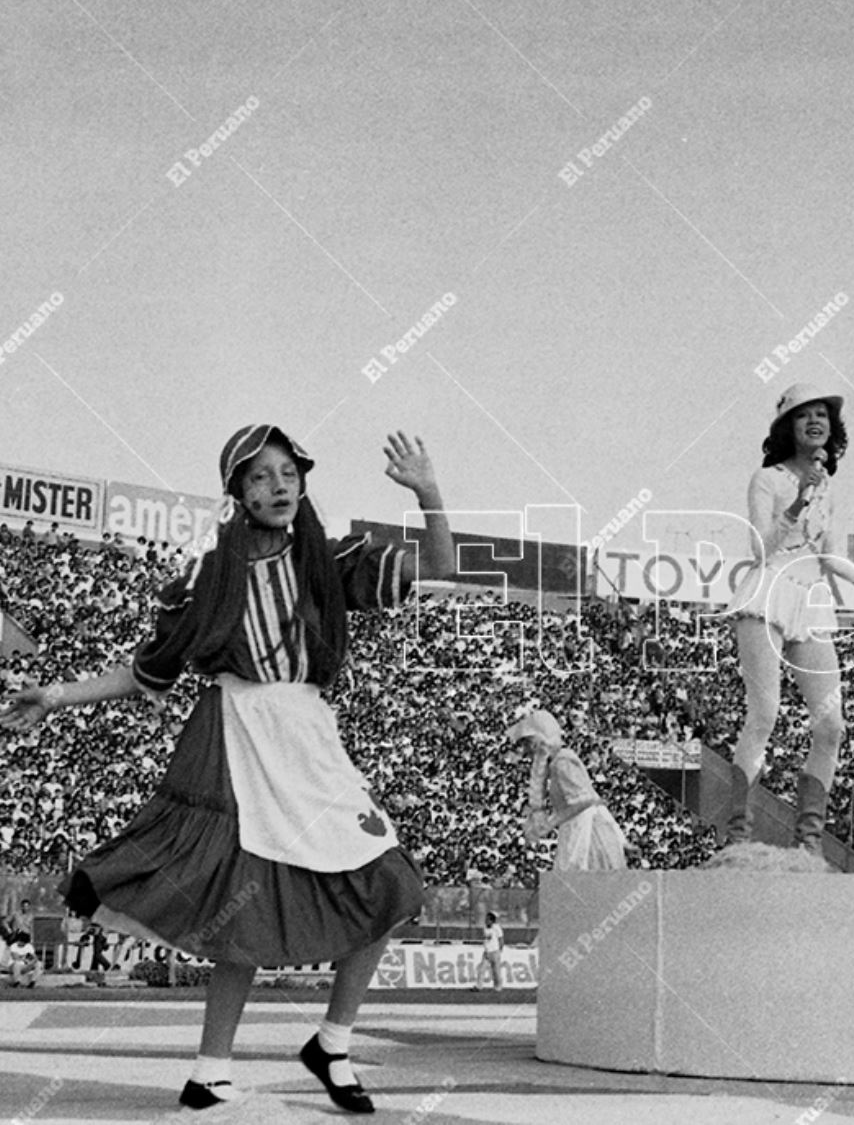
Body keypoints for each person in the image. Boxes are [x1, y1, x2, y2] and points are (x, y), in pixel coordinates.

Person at [0, 425, 454, 1113]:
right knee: (242, 901)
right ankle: (210, 1070)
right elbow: (147, 670)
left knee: (391, 883)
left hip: (309, 736)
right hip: (237, 736)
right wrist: (55, 694)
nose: (279, 485)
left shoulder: (328, 562)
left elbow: (439, 570)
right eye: (261, 476)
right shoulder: (209, 578)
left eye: (288, 472)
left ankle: (332, 1040)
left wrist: (428, 492)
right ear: (238, 492)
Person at [718, 384, 854, 855]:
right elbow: (759, 548)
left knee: (831, 726)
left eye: (822, 415)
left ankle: (808, 841)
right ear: (789, 427)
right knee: (764, 714)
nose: (815, 422)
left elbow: (833, 558)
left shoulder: (830, 490)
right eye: (804, 416)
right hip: (767, 594)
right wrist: (799, 501)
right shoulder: (768, 480)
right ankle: (738, 833)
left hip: (811, 602)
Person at [507, 708, 628, 871]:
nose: (527, 751)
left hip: (584, 834)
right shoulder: (558, 761)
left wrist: (550, 824)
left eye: (527, 744)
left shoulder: (562, 762)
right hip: (577, 828)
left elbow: (584, 801)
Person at [477, 912, 504, 992]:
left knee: (496, 971)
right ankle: (479, 986)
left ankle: (498, 987)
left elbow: (501, 939)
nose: (486, 921)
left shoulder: (497, 928)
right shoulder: (484, 927)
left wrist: (500, 950)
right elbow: (486, 939)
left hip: (495, 952)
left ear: (492, 921)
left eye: (487, 919)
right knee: (481, 969)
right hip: (486, 952)